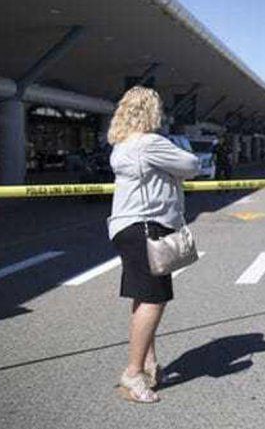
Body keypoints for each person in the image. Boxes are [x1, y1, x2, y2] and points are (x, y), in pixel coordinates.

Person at [107, 86, 200, 403]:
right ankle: (133, 375)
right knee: (154, 300)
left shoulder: (121, 146)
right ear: (151, 113)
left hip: (126, 228)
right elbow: (192, 165)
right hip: (147, 228)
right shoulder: (149, 143)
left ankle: (148, 362)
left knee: (142, 295)